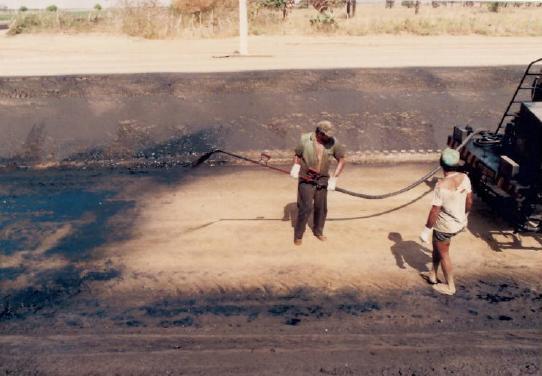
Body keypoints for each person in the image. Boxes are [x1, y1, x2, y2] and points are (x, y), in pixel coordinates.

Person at [420, 148, 473, 295]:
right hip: (459, 223)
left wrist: (425, 230)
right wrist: (465, 215)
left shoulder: (441, 185)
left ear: (441, 164)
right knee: (437, 246)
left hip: (445, 226)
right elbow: (469, 200)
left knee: (444, 254)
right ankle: (433, 274)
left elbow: (434, 211)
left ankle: (450, 287)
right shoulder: (464, 178)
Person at [290, 120, 346, 245]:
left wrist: (334, 177)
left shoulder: (333, 142)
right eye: (327, 134)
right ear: (319, 133)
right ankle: (299, 235)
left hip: (322, 179)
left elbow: (341, 160)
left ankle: (318, 231)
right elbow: (297, 155)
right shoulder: (304, 139)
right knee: (306, 207)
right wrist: (296, 166)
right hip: (306, 178)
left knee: (321, 208)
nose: (330, 137)